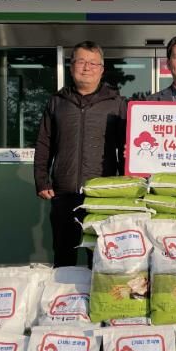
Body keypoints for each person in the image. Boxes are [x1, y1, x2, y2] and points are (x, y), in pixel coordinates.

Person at [34, 40, 126, 267]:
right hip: (63, 193)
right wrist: (41, 180)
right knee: (64, 257)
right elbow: (44, 143)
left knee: (101, 259)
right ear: (71, 66)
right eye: (81, 61)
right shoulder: (57, 102)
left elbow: (126, 148)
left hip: (101, 196)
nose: (87, 68)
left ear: (102, 69)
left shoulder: (116, 103)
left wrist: (125, 186)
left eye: (93, 63)